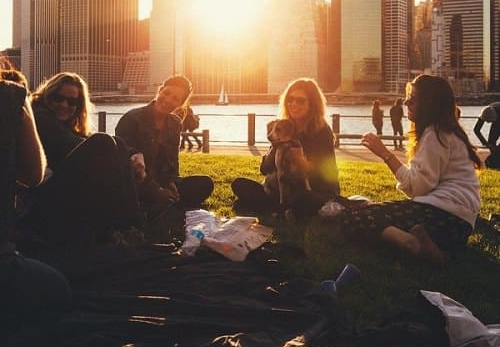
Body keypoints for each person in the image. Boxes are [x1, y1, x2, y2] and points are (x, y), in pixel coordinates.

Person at [326, 75, 481, 265]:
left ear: (429, 104)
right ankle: (427, 244)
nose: (406, 102)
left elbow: (417, 187)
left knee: (353, 217)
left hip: (442, 216)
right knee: (371, 213)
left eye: (413, 99)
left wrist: (385, 154)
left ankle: (412, 244)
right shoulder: (448, 132)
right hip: (459, 226)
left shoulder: (435, 135)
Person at [26, 72, 143, 246]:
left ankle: (127, 224)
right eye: (58, 99)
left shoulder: (64, 125)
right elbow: (74, 143)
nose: (64, 105)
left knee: (114, 142)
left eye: (72, 102)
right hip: (39, 200)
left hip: (57, 193)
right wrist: (121, 157)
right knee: (104, 142)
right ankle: (127, 225)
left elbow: (85, 139)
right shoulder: (39, 117)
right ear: (47, 96)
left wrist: (134, 153)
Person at [0, 75, 71, 331]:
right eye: (58, 98)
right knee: (55, 291)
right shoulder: (10, 96)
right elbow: (33, 175)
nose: (65, 105)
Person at [231, 78, 340, 220]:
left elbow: (328, 173)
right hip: (281, 189)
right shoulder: (283, 127)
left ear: (312, 104)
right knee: (239, 184)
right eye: (290, 99)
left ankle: (276, 208)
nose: (293, 104)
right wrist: (273, 150)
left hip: (314, 189)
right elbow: (265, 169)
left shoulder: (321, 131)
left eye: (300, 101)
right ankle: (281, 209)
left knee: (303, 199)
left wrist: (302, 163)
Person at [115, 75, 213, 219]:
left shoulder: (175, 123)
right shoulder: (132, 119)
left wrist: (171, 182)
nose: (168, 100)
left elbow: (173, 160)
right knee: (135, 193)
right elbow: (128, 165)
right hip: (136, 181)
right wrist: (158, 191)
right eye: (166, 93)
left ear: (180, 104)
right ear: (160, 91)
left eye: (175, 98)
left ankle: (164, 204)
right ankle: (159, 205)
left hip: (160, 179)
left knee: (204, 183)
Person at [473, 102, 500, 169]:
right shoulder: (484, 113)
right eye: (487, 121)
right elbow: (476, 130)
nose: (488, 123)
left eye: (490, 121)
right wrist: (486, 143)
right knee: (491, 143)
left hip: (498, 118)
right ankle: (493, 162)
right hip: (495, 116)